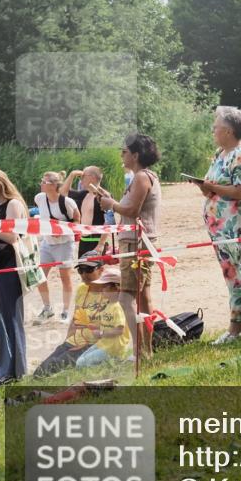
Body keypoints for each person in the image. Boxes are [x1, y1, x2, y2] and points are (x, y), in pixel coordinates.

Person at [199, 106, 241, 343]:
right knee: (235, 274)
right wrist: (205, 186)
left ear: (227, 131)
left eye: (216, 127)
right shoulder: (220, 153)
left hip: (235, 226)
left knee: (235, 274)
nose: (213, 130)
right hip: (219, 226)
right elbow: (213, 184)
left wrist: (212, 188)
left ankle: (235, 330)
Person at [98, 134, 162, 359]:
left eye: (124, 151)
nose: (121, 155)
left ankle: (139, 351)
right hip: (139, 242)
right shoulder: (143, 177)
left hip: (136, 244)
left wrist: (111, 204)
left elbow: (132, 210)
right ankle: (146, 350)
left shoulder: (142, 178)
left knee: (127, 298)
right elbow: (131, 207)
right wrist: (111, 200)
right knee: (143, 296)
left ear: (136, 155)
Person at [33, 252, 129, 376]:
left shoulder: (112, 291)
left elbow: (116, 327)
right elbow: (75, 320)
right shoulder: (82, 289)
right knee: (41, 369)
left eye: (88, 269)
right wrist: (66, 342)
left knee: (49, 370)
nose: (84, 274)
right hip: (76, 340)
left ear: (101, 269)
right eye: (81, 270)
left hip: (94, 343)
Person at [0, 167, 28, 386]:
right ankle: (9, 371)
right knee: (3, 320)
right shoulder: (0, 206)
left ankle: (16, 372)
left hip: (9, 267)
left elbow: (12, 236)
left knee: (11, 320)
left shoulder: (13, 204)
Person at [34, 171, 80, 322]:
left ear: (54, 186)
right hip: (47, 243)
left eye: (44, 182)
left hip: (65, 244)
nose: (41, 183)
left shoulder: (67, 202)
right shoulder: (39, 198)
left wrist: (61, 232)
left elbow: (77, 221)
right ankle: (47, 308)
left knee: (65, 277)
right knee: (40, 276)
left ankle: (66, 311)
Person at [61, 166, 107, 257]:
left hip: (96, 241)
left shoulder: (103, 196)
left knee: (94, 271)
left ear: (92, 177)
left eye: (83, 176)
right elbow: (63, 193)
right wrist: (72, 175)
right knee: (82, 271)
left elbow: (109, 222)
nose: (81, 179)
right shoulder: (84, 194)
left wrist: (101, 244)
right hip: (83, 240)